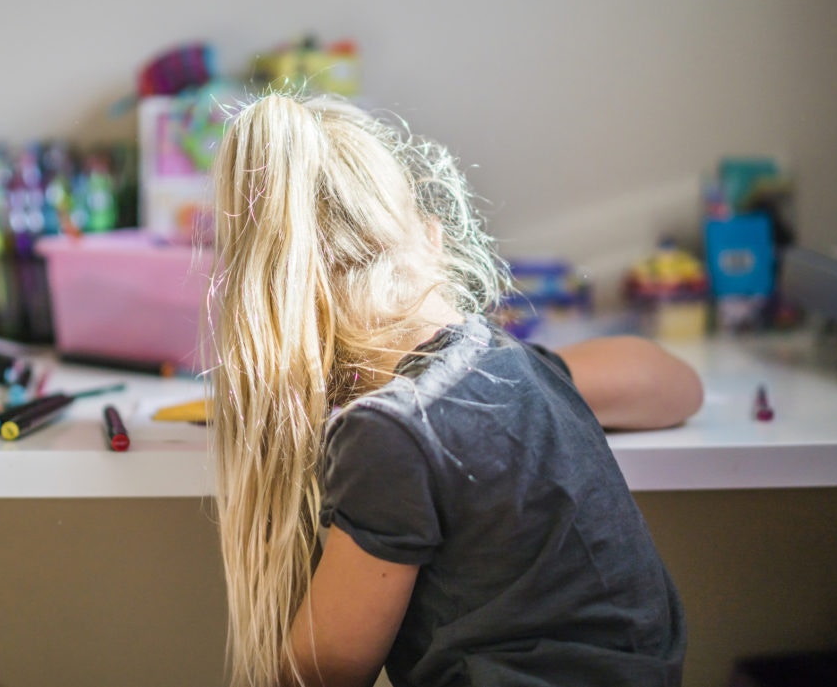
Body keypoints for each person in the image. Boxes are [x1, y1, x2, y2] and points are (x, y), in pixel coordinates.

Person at [207, 92, 703, 687]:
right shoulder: (512, 371)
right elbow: (677, 387)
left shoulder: (390, 435)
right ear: (434, 240)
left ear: (281, 306)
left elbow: (319, 676)